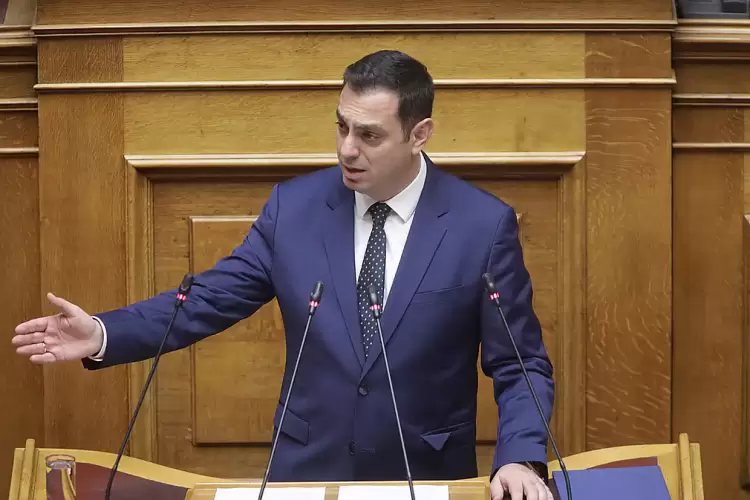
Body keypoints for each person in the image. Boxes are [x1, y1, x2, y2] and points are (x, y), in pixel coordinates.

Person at [13, 50, 554, 500]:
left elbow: (520, 362)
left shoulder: (481, 225)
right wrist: (102, 333)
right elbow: (208, 299)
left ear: (420, 134)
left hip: (426, 476)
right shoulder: (293, 209)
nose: (347, 149)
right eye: (341, 127)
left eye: (369, 135)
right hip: (306, 475)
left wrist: (521, 456)